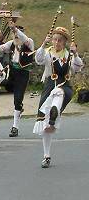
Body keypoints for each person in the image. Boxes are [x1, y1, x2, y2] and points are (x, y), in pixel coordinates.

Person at [33, 27, 83, 168]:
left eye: (60, 40)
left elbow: (78, 67)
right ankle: (46, 155)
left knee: (59, 92)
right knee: (46, 126)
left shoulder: (69, 55)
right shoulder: (48, 53)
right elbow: (38, 59)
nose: (56, 42)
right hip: (49, 87)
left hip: (65, 87)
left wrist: (76, 53)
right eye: (55, 39)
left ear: (65, 42)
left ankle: (54, 110)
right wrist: (43, 44)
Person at [0, 20, 34, 137]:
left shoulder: (29, 42)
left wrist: (15, 29)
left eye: (18, 35)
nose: (16, 37)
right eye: (14, 35)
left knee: (17, 99)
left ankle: (15, 127)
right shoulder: (11, 43)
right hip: (12, 73)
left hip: (23, 74)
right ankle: (18, 107)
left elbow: (24, 38)